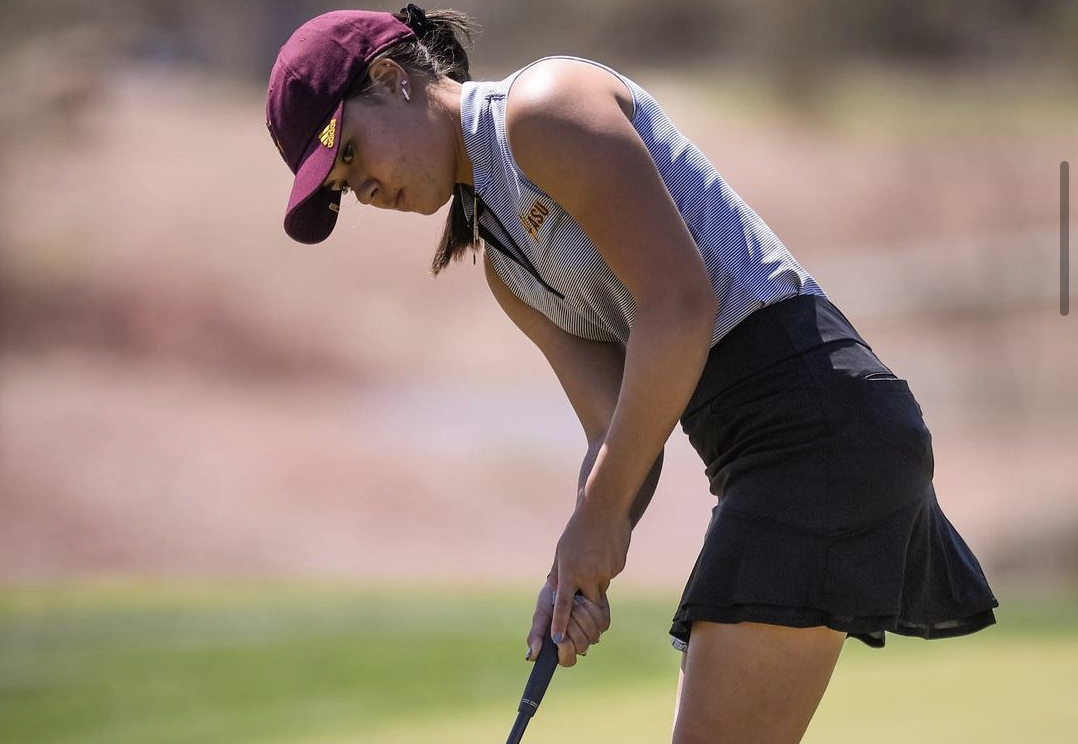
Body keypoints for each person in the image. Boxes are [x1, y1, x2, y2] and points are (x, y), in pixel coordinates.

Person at [266, 7, 999, 743]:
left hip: (815, 419)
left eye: (352, 154)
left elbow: (680, 306)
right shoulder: (506, 270)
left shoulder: (542, 109)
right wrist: (575, 566)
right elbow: (616, 435)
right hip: (774, 451)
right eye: (340, 188)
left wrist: (601, 518)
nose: (360, 189)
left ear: (392, 78)